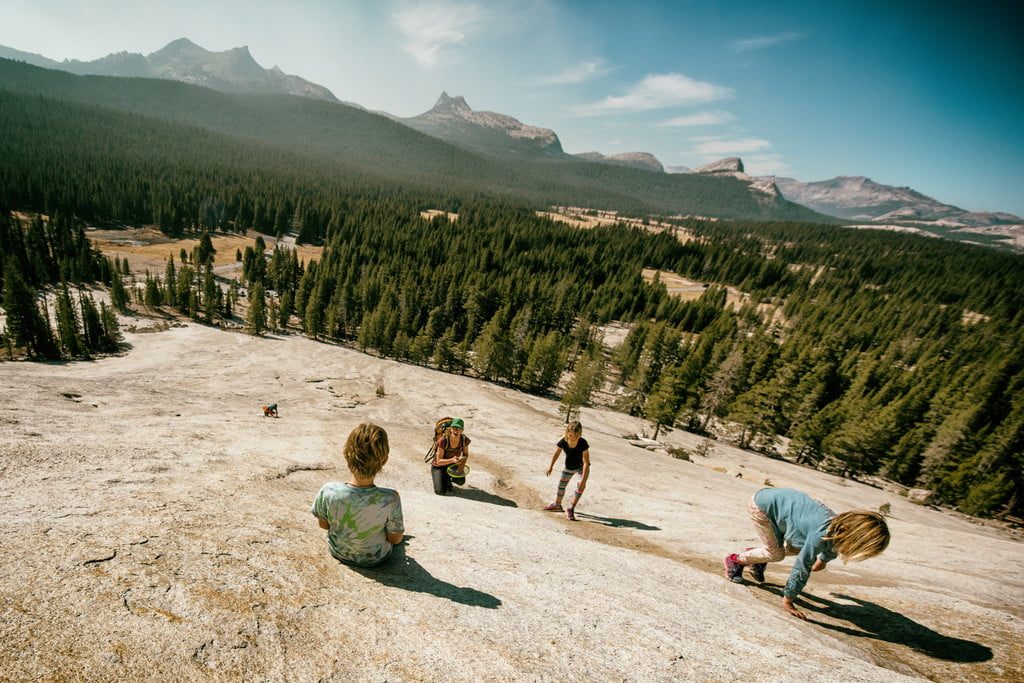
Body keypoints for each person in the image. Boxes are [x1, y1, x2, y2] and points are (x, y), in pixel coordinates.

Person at [723, 487, 890, 619]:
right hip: (762, 507)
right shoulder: (821, 533)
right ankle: (735, 560)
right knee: (776, 554)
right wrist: (789, 599)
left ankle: (757, 557)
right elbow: (802, 566)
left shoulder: (838, 527)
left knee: (796, 547)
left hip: (780, 504)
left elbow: (835, 544)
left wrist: (824, 559)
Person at [310, 422, 404, 567]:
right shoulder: (390, 498)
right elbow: (395, 539)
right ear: (384, 460)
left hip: (339, 552)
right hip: (375, 559)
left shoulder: (328, 491)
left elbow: (324, 525)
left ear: (346, 454)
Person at [543, 420, 591, 521]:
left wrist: (583, 479)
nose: (572, 437)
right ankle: (557, 505)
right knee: (561, 485)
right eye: (570, 435)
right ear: (567, 432)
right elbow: (557, 453)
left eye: (575, 436)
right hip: (569, 466)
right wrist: (551, 466)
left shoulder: (583, 443)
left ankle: (571, 508)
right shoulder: (563, 441)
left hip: (581, 467)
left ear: (579, 434)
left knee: (581, 486)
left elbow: (586, 462)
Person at [431, 418, 471, 495]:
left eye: (459, 428)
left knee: (460, 481)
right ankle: (443, 479)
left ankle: (447, 479)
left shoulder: (464, 440)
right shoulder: (443, 440)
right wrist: (452, 460)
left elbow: (465, 454)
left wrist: (461, 465)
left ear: (462, 430)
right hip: (439, 467)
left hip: (453, 465)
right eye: (454, 428)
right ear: (451, 429)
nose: (456, 430)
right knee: (440, 491)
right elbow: (438, 461)